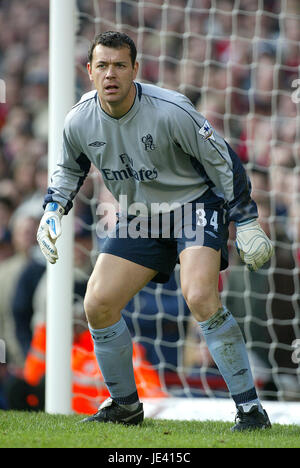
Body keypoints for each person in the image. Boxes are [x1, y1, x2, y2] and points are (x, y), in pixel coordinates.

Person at [37, 31, 274, 431]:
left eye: (119, 65)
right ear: (89, 71)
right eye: (102, 65)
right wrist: (52, 210)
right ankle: (125, 406)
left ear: (135, 69)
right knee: (97, 302)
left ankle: (251, 411)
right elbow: (69, 169)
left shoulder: (171, 110)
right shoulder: (78, 120)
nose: (110, 74)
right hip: (139, 215)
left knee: (199, 295)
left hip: (194, 206)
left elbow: (222, 161)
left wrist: (246, 219)